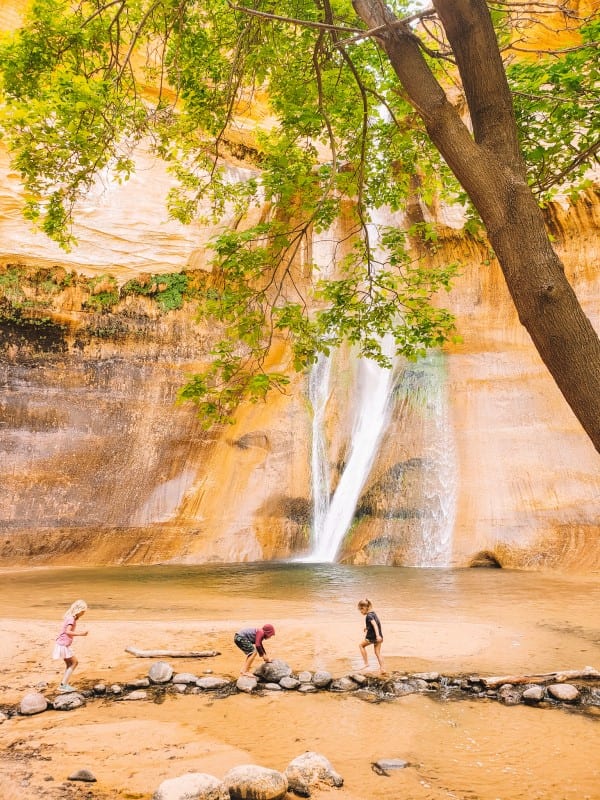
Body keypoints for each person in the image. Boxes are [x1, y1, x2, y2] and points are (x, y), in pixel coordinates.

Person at [52, 599, 89, 692]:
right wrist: (81, 634)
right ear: (79, 610)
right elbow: (67, 631)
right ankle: (63, 685)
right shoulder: (71, 619)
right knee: (74, 663)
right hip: (63, 645)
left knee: (69, 664)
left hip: (62, 644)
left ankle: (64, 684)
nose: (83, 614)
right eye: (83, 612)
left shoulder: (70, 617)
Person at [357, 598, 385, 673]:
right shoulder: (373, 613)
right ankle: (382, 668)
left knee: (361, 645)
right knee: (377, 653)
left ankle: (366, 663)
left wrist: (377, 635)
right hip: (379, 636)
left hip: (373, 636)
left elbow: (375, 625)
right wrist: (367, 628)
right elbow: (375, 623)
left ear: (364, 608)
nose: (361, 612)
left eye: (361, 610)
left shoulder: (368, 616)